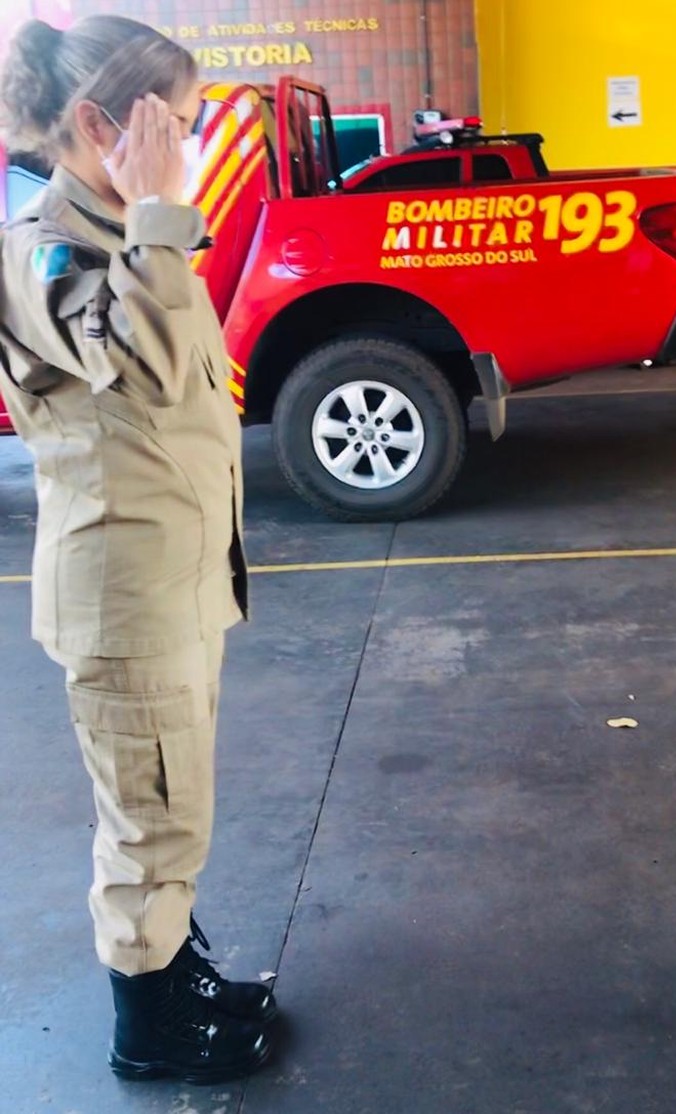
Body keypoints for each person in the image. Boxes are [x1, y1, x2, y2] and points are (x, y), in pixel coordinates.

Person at [0, 16, 277, 1083]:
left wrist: (154, 220)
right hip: (125, 600)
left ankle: (176, 970)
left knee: (175, 806)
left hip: (174, 585)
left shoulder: (128, 235)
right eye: (178, 121)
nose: (192, 144)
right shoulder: (47, 248)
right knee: (149, 820)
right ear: (97, 123)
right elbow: (151, 367)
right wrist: (160, 212)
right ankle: (152, 1030)